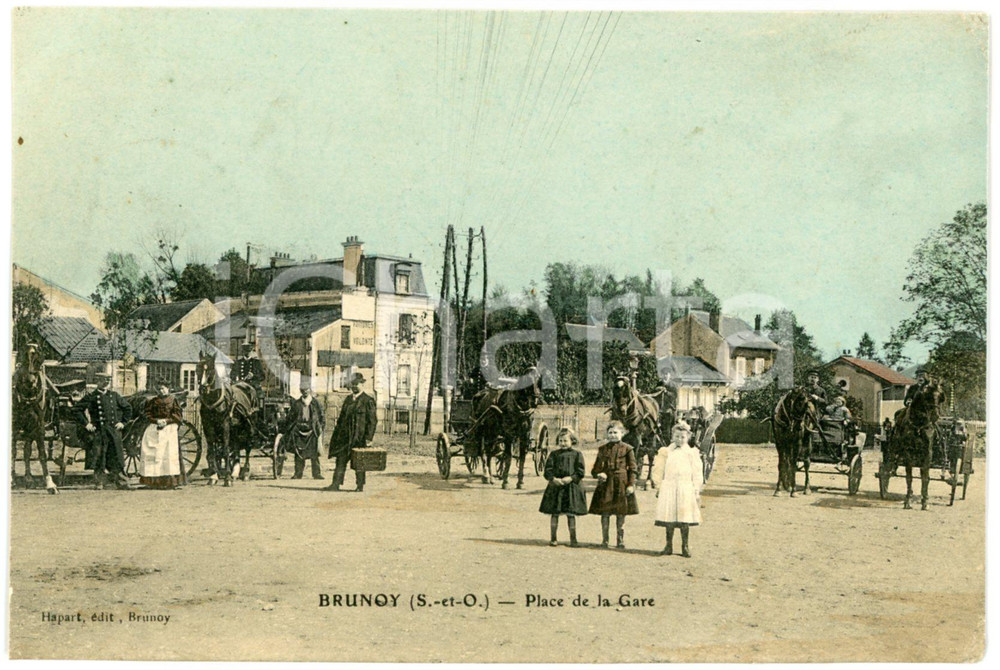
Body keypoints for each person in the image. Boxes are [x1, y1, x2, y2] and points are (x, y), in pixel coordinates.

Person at [651, 421, 703, 557]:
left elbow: (697, 472)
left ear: (688, 437)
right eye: (677, 436)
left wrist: (696, 489)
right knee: (669, 518)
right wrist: (658, 486)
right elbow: (658, 469)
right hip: (669, 486)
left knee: (684, 517)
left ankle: (685, 546)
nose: (680, 439)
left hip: (685, 487)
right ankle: (668, 545)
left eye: (683, 437)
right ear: (672, 436)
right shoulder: (666, 452)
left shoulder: (692, 453)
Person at [75, 372, 133, 490]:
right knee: (99, 455)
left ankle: (120, 481)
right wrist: (87, 424)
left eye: (108, 381)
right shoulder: (91, 396)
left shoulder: (114, 395)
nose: (106, 383)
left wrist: (123, 422)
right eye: (103, 381)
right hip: (99, 431)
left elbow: (128, 408)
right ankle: (99, 482)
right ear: (97, 382)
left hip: (113, 431)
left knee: (116, 455)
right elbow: (76, 410)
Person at [588, 421, 639, 549]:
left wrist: (631, 485)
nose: (612, 435)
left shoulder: (628, 449)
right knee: (605, 513)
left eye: (615, 432)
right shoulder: (602, 449)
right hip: (606, 485)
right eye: (610, 433)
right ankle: (605, 540)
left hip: (621, 483)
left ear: (622, 433)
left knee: (621, 513)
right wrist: (599, 474)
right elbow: (595, 470)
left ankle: (620, 540)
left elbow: (633, 469)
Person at [326, 373, 377, 492]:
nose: (354, 387)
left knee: (359, 463)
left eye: (357, 384)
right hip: (345, 438)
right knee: (340, 461)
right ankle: (335, 484)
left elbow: (372, 421)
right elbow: (342, 418)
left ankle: (360, 486)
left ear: (362, 384)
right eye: (352, 384)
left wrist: (368, 438)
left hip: (358, 438)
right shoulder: (348, 399)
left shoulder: (368, 400)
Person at [538, 427, 587, 547]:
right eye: (560, 441)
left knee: (571, 514)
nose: (563, 443)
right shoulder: (554, 454)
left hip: (571, 488)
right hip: (556, 488)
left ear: (572, 441)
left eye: (566, 441)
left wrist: (571, 478)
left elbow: (580, 472)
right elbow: (547, 470)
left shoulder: (577, 454)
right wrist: (553, 479)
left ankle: (573, 539)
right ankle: (553, 538)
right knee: (555, 513)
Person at [139, 380, 186, 489]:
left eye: (163, 388)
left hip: (169, 428)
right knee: (151, 452)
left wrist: (167, 421)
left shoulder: (173, 400)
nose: (161, 391)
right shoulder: (153, 401)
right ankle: (153, 481)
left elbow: (178, 416)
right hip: (155, 427)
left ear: (168, 389)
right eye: (159, 389)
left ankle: (169, 482)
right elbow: (147, 414)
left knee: (168, 454)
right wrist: (155, 421)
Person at [279, 378, 325, 479]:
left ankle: (317, 474)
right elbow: (290, 417)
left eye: (306, 390)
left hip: (312, 430)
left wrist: (320, 428)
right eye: (302, 390)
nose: (304, 392)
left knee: (314, 454)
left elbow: (321, 417)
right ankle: (298, 473)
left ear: (310, 390)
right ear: (300, 391)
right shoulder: (297, 404)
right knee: (299, 453)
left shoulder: (315, 403)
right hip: (299, 430)